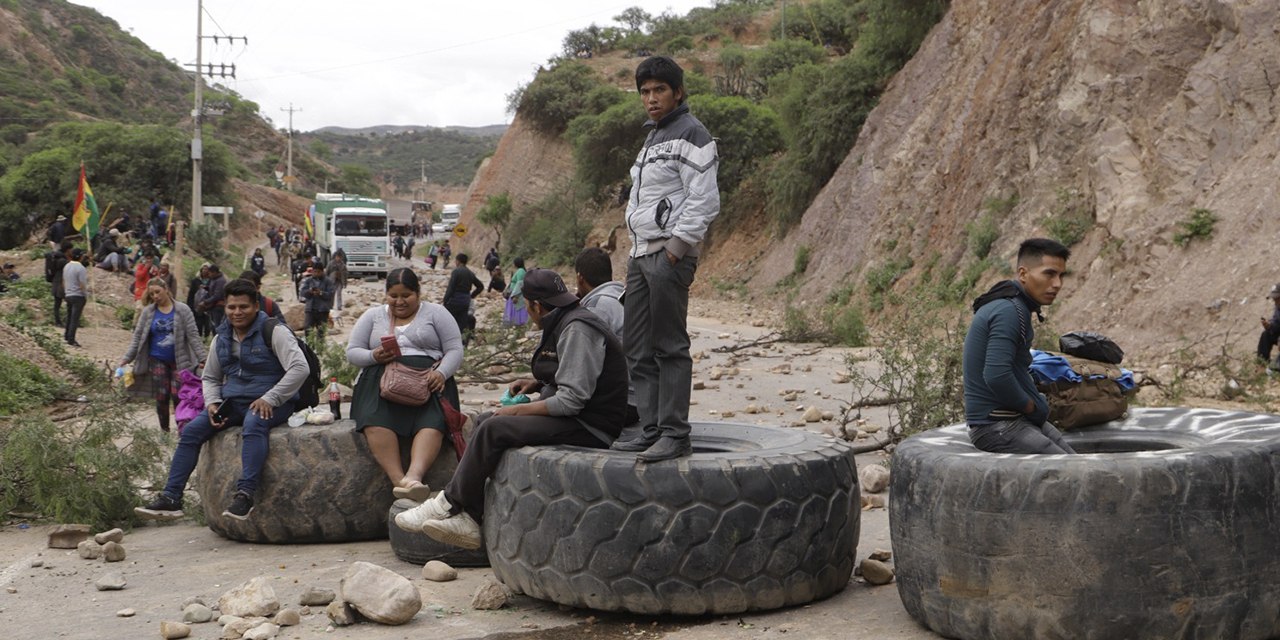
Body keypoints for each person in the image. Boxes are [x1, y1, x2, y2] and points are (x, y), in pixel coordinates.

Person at [395, 269, 628, 549]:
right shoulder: (565, 318)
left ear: (537, 306)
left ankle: (447, 503)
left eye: (527, 307)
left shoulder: (578, 328)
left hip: (593, 426)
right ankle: (469, 517)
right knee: (484, 421)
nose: (528, 313)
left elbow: (573, 400)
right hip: (583, 415)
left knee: (495, 427)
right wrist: (537, 383)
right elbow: (576, 376)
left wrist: (519, 411)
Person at [615, 56, 721, 462]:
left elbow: (704, 199)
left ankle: (675, 434)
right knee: (637, 346)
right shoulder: (652, 138)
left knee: (669, 346)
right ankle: (653, 427)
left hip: (667, 256)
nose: (651, 98)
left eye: (660, 89)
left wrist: (676, 251)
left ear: (678, 91)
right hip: (641, 257)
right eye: (645, 91)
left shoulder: (693, 133)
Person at [135, 279, 308, 521]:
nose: (237, 312)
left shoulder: (274, 331)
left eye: (243, 307)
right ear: (225, 307)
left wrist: (271, 398)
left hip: (273, 402)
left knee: (254, 425)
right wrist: (213, 403)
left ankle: (245, 496)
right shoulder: (221, 336)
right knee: (192, 431)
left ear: (256, 306)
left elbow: (300, 368)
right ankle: (171, 498)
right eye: (231, 307)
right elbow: (211, 376)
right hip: (233, 401)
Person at [347, 268, 464, 502]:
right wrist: (373, 356)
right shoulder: (372, 316)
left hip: (429, 382)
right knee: (374, 419)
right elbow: (352, 352)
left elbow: (455, 349)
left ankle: (414, 476)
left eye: (406, 295)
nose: (399, 302)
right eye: (393, 296)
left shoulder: (437, 313)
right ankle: (400, 481)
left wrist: (441, 373)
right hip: (381, 384)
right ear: (386, 295)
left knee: (432, 421)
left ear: (418, 293)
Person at [964, 238, 1077, 455]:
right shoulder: (1010, 311)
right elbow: (996, 375)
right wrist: (1031, 406)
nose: (1057, 284)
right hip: (996, 425)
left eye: (1061, 276)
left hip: (1013, 419)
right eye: (1049, 273)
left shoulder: (1014, 305)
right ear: (1023, 274)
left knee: (1079, 463)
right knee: (1072, 472)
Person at [121, 279, 207, 433]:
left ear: (166, 289)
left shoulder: (182, 310)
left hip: (180, 360)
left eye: (157, 292)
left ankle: (182, 430)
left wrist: (203, 358)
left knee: (178, 395)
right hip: (157, 359)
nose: (155, 296)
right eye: (152, 293)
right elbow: (138, 337)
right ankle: (165, 430)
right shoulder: (148, 312)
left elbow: (193, 335)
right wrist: (127, 358)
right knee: (162, 395)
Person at [575, 247, 638, 426]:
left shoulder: (596, 307)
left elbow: (584, 365)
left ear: (580, 277)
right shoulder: (621, 297)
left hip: (622, 405)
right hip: (641, 400)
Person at [442, 253, 484, 342]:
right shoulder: (470, 273)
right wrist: (471, 295)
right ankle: (463, 344)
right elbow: (480, 286)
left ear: (458, 261)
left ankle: (448, 341)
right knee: (462, 323)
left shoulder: (456, 272)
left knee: (447, 320)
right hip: (465, 301)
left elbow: (451, 288)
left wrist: (445, 301)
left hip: (455, 299)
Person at [63, 248, 90, 347]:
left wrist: (66, 291)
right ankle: (71, 339)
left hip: (68, 293)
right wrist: (85, 294)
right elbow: (82, 283)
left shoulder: (67, 266)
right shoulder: (81, 268)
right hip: (78, 295)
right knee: (75, 318)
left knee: (69, 316)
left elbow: (64, 281)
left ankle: (66, 335)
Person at [298, 265, 335, 336]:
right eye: (315, 272)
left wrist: (321, 293)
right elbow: (302, 292)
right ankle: (309, 346)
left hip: (323, 310)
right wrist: (310, 291)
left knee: (321, 332)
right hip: (311, 309)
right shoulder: (308, 280)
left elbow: (330, 294)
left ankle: (320, 346)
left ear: (322, 271)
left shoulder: (328, 281)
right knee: (307, 329)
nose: (316, 274)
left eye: (318, 272)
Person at [46, 241, 73, 327]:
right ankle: (67, 321)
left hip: (56, 282)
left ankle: (59, 321)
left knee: (57, 303)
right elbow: (73, 266)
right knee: (69, 303)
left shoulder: (58, 258)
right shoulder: (62, 260)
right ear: (68, 250)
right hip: (61, 284)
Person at [1257, 282, 1280, 370]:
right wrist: (1269, 325)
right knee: (1266, 334)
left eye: (1277, 298)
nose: (1275, 301)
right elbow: (1277, 322)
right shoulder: (1278, 307)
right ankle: (1262, 365)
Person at [188, 264, 212, 338]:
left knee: (207, 323)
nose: (204, 271)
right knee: (198, 323)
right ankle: (199, 337)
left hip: (207, 306)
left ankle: (206, 337)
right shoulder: (196, 281)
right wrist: (190, 305)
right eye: (203, 269)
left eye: (206, 269)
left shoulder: (211, 281)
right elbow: (191, 293)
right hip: (196, 306)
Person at [200, 264, 228, 330]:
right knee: (212, 326)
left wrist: (205, 302)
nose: (209, 275)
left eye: (210, 273)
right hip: (213, 306)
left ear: (214, 272)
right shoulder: (214, 279)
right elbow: (213, 289)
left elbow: (217, 295)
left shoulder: (220, 281)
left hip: (218, 306)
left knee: (217, 326)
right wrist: (206, 288)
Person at [504, 257, 528, 327]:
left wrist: (515, 296)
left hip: (517, 296)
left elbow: (520, 284)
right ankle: (517, 326)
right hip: (515, 294)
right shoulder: (520, 271)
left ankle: (519, 325)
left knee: (518, 310)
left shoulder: (520, 271)